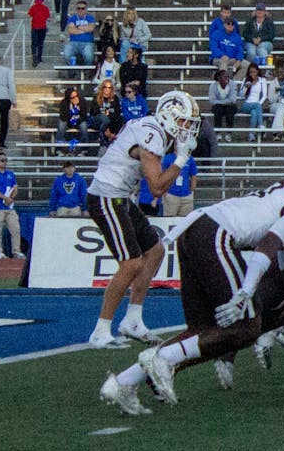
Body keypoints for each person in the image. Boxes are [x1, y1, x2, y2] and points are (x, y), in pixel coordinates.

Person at [99, 149, 284, 414]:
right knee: (247, 327)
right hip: (216, 235)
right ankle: (162, 358)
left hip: (200, 229)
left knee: (202, 331)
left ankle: (123, 383)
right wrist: (247, 290)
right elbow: (269, 242)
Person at [85, 90, 200, 348]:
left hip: (120, 197)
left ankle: (133, 320)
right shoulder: (154, 133)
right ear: (169, 116)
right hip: (106, 196)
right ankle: (101, 330)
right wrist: (181, 159)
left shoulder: (155, 130)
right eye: (184, 121)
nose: (187, 128)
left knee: (155, 250)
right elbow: (158, 187)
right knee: (131, 264)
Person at [0, 151, 23, 258]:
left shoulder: (10, 174)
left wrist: (11, 198)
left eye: (5, 160)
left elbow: (15, 188)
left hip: (9, 206)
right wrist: (4, 198)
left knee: (15, 229)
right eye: (2, 160)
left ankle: (16, 250)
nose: (4, 162)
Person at [160, 151, 196, 217]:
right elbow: (162, 174)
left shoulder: (190, 158)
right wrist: (164, 192)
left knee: (186, 221)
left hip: (186, 195)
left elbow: (193, 175)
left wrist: (192, 191)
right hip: (171, 194)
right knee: (169, 220)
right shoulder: (168, 158)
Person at [237, 62, 266, 142]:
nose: (253, 74)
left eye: (254, 72)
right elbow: (241, 96)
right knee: (256, 107)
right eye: (251, 72)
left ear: (257, 71)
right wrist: (246, 87)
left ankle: (251, 134)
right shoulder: (245, 80)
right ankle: (260, 125)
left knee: (254, 113)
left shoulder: (262, 81)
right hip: (246, 104)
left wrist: (259, 105)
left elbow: (264, 96)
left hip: (257, 105)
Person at [62, 0, 95, 66]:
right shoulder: (72, 18)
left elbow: (91, 28)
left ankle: (86, 72)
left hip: (87, 43)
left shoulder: (90, 18)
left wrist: (77, 27)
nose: (80, 10)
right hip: (73, 42)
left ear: (86, 9)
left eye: (82, 8)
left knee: (89, 57)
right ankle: (75, 70)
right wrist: (85, 29)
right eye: (78, 8)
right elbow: (71, 30)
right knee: (66, 54)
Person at [209, 68, 237, 142]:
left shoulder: (232, 84)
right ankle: (218, 133)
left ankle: (229, 133)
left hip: (230, 106)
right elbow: (212, 100)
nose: (227, 79)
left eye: (228, 77)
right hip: (218, 106)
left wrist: (220, 102)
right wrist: (225, 102)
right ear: (219, 78)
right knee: (218, 110)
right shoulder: (213, 86)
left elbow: (233, 99)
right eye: (224, 77)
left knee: (230, 110)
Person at [27, 0, 50, 67]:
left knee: (34, 43)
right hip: (42, 27)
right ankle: (39, 57)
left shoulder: (33, 7)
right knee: (40, 43)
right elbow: (48, 18)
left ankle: (34, 55)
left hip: (34, 27)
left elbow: (30, 15)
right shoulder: (45, 8)